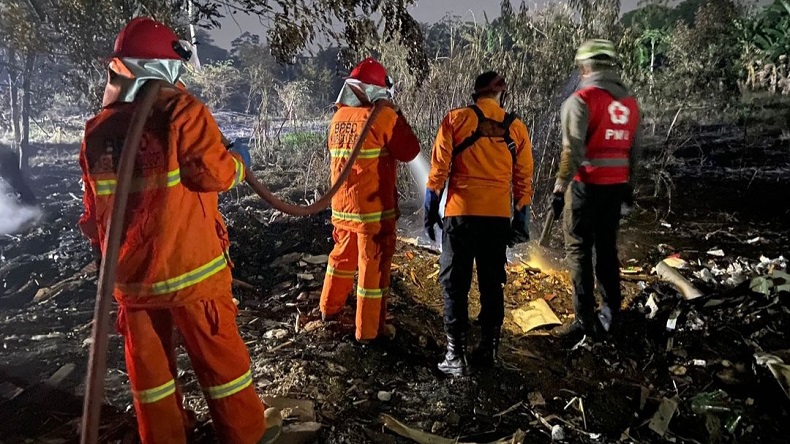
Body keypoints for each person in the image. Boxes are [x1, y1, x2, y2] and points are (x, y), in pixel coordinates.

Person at [78, 17, 279, 444]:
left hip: (132, 282)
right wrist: (240, 159)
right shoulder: (182, 111)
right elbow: (216, 174)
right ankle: (245, 435)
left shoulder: (96, 131)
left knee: (151, 377)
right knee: (222, 365)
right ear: (163, 67)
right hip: (192, 277)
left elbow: (94, 214)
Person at [425, 72, 534, 377]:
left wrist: (430, 211)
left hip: (460, 216)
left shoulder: (456, 120)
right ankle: (489, 350)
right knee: (491, 283)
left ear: (475, 94)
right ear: (502, 95)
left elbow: (437, 172)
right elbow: (524, 180)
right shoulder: (516, 128)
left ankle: (455, 356)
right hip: (497, 219)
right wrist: (520, 220)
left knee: (455, 285)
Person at [319, 57, 421, 343]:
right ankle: (368, 332)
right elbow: (410, 149)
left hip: (342, 208)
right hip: (372, 213)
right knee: (372, 269)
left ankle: (328, 309)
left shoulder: (338, 118)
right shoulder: (383, 117)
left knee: (341, 258)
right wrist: (397, 113)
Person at [550, 39, 642, 340]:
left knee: (578, 249)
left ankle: (584, 321)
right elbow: (635, 149)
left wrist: (559, 187)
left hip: (585, 187)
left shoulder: (581, 100)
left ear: (586, 67)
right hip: (615, 188)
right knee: (606, 249)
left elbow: (571, 152)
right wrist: (630, 184)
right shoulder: (629, 103)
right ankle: (611, 314)